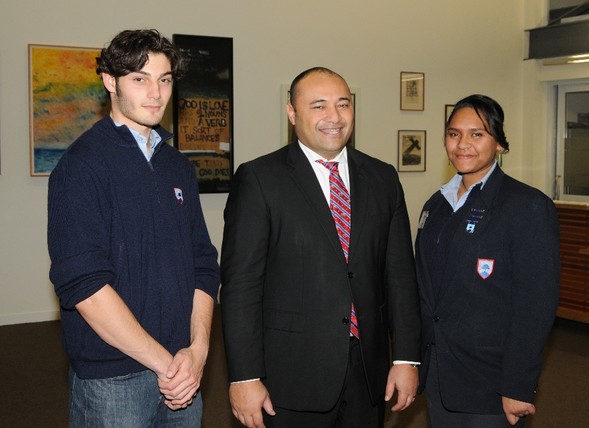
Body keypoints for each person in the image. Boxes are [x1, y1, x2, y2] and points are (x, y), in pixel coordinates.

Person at [219, 66, 421, 428]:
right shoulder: (260, 179)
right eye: (319, 106)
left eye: (343, 104)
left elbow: (401, 277)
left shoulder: (383, 177)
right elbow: (241, 286)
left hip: (367, 371)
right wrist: (244, 377)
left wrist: (406, 358)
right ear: (292, 113)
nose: (334, 117)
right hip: (291, 377)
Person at [47, 29, 220, 426]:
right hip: (114, 381)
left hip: (183, 370)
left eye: (165, 79)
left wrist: (198, 351)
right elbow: (85, 286)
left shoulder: (177, 166)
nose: (156, 93)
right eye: (140, 79)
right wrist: (166, 364)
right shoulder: (81, 167)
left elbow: (204, 265)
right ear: (110, 81)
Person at [415, 94, 560, 427]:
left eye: (477, 134)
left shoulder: (527, 206)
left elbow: (535, 305)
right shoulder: (434, 205)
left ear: (498, 143)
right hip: (440, 374)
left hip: (492, 383)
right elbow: (424, 289)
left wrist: (518, 385)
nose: (463, 144)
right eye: (454, 134)